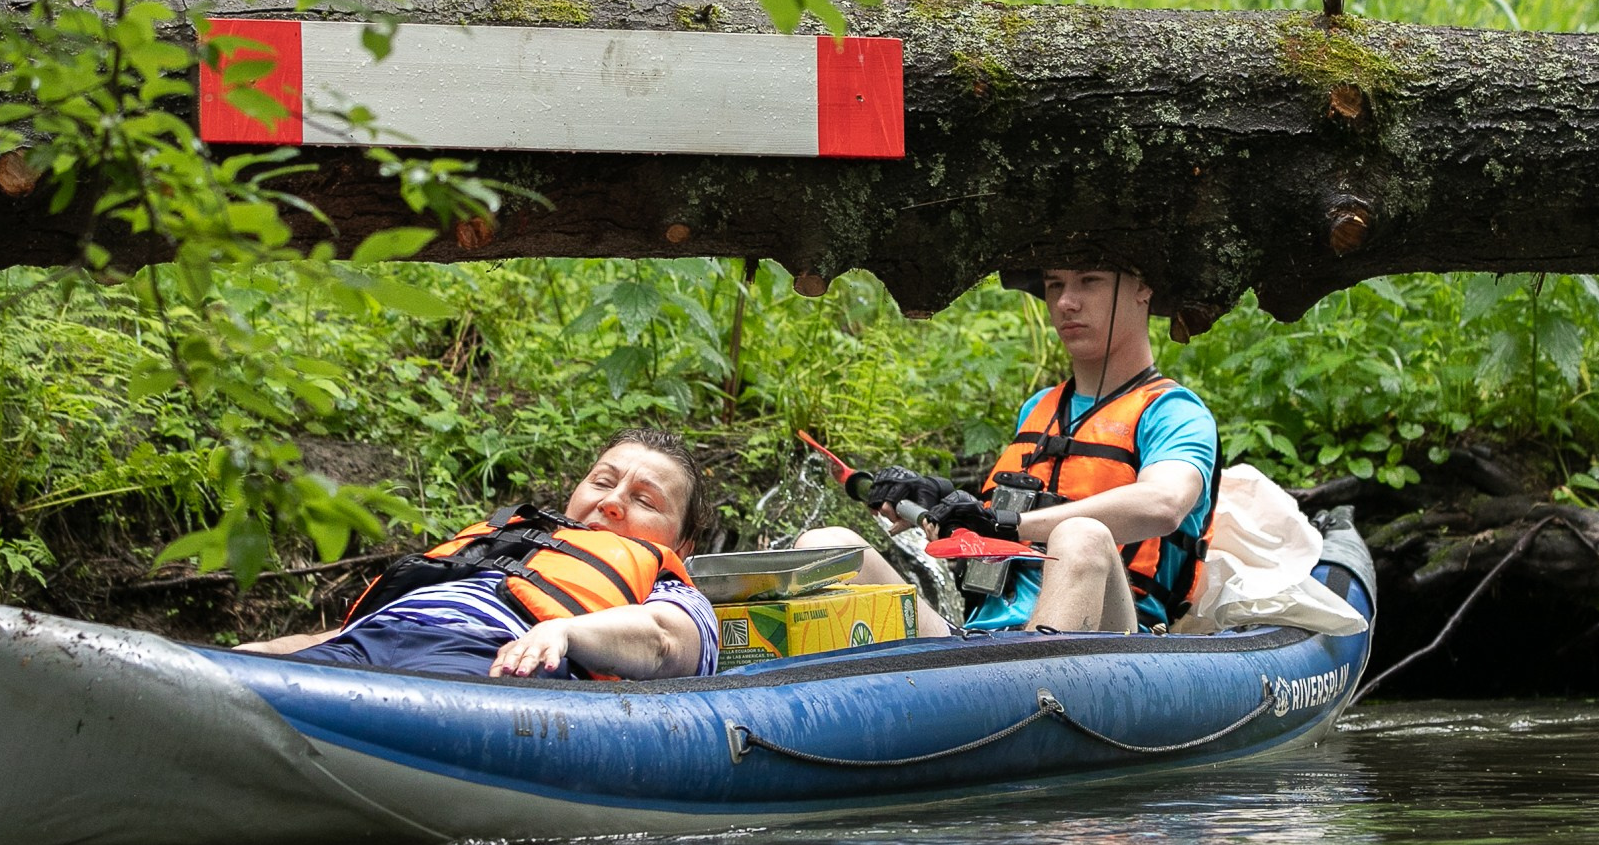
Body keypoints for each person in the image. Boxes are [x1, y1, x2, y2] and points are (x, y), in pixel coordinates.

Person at [796, 266, 1217, 636]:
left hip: (1119, 640)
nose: (1067, 302)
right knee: (826, 544)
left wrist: (1009, 524)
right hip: (981, 641)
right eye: (1055, 285)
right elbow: (989, 532)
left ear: (1143, 288)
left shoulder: (1173, 411)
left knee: (1080, 535)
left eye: (1090, 281)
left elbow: (1164, 504)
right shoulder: (1039, 409)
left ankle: (1032, 696)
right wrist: (938, 504)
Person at [242, 429, 719, 679]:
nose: (611, 501)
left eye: (645, 500)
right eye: (602, 481)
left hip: (488, 660)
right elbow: (342, 634)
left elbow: (663, 643)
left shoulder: (670, 585)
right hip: (371, 642)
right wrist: (253, 657)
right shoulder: (503, 539)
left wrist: (563, 630)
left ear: (682, 544)